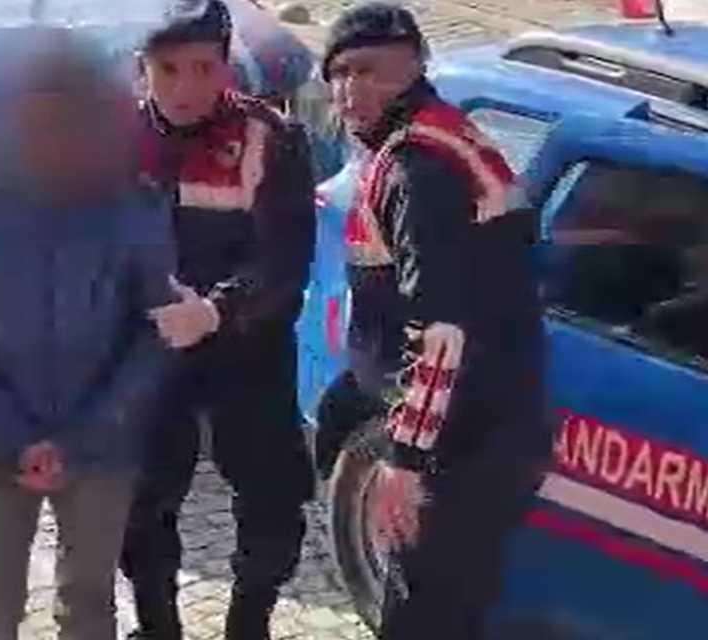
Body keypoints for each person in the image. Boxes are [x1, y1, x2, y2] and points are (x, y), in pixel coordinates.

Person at [0, 26, 178, 640]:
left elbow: (155, 331)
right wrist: (15, 433)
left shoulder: (133, 207)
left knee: (88, 607)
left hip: (103, 446)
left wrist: (82, 435)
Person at [321, 4, 551, 638]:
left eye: (370, 70)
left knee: (421, 616)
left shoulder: (417, 170)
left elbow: (440, 333)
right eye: (339, 74)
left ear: (417, 64)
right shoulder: (443, 135)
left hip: (459, 444)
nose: (350, 90)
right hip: (492, 425)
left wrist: (406, 460)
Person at [118, 2, 317, 639]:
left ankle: (248, 622)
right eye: (168, 69)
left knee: (273, 498)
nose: (186, 87)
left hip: (247, 344)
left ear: (227, 67)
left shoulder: (270, 137)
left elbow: (284, 260)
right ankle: (157, 626)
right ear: (141, 68)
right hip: (148, 349)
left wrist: (215, 310)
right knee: (139, 505)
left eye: (204, 68)